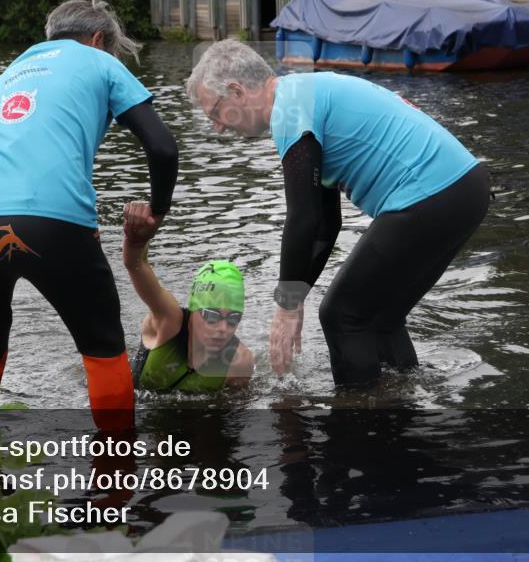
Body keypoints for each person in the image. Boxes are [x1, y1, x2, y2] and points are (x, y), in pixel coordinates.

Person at [186, 40, 489, 386]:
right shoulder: (302, 95)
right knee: (381, 317)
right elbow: (326, 224)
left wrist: (286, 307)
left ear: (237, 91)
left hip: (430, 193)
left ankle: (357, 428)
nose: (218, 128)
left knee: (341, 316)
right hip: (466, 189)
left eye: (215, 113)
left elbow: (302, 219)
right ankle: (403, 408)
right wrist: (296, 298)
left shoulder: (287, 110)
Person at [0, 0, 179, 431]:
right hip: (53, 219)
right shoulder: (99, 62)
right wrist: (157, 212)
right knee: (102, 347)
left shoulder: (12, 70)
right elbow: (163, 147)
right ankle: (115, 479)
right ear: (97, 39)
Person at [122, 201, 253, 393]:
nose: (223, 329)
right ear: (193, 311)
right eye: (212, 316)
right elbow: (136, 265)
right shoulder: (168, 321)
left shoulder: (238, 361)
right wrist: (136, 241)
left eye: (233, 319)